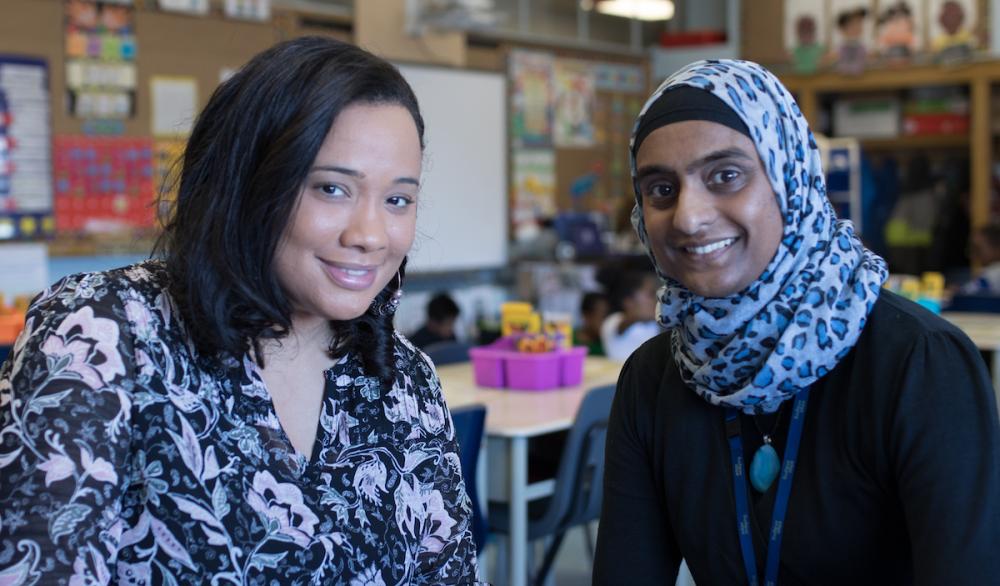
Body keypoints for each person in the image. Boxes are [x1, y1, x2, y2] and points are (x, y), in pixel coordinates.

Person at [0, 37, 480, 584]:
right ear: (248, 180)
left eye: (398, 200)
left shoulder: (404, 380)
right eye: (331, 188)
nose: (370, 235)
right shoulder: (103, 336)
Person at [594, 59, 999, 585]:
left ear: (790, 178)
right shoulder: (653, 380)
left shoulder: (919, 366)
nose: (689, 217)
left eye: (726, 175)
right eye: (661, 190)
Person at [599, 270, 661, 360]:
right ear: (628, 301)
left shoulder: (653, 324)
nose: (656, 299)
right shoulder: (613, 320)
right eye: (650, 294)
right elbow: (620, 327)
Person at [960, 222, 1000, 295]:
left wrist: (955, 293)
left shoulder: (995, 272)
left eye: (978, 249)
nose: (972, 254)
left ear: (997, 248)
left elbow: (965, 293)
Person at [573, 291, 609, 356]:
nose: (607, 322)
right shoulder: (568, 340)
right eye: (603, 316)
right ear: (587, 316)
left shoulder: (608, 343)